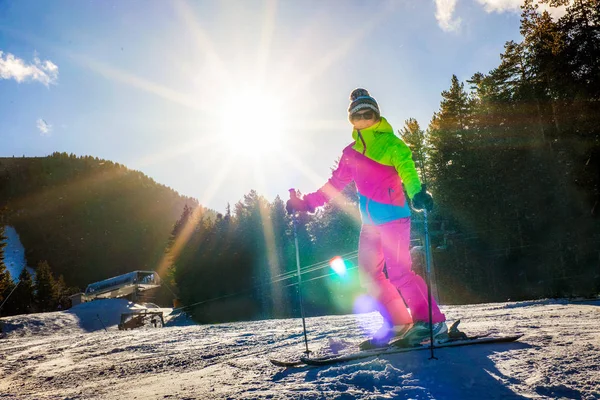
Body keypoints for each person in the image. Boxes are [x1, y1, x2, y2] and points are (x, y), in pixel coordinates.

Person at [286, 88, 446, 346]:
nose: (362, 119)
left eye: (367, 113)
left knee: (399, 273)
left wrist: (417, 195)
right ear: (351, 121)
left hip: (394, 217)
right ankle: (399, 322)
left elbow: (408, 171)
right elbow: (334, 184)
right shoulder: (350, 153)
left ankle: (432, 323)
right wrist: (306, 203)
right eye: (356, 116)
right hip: (370, 224)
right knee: (369, 276)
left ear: (376, 115)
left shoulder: (392, 144)